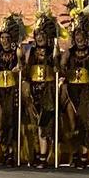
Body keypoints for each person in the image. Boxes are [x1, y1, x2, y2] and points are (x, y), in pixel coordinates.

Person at [62, 10, 89, 169]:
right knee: (72, 123)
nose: (79, 38)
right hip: (71, 90)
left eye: (81, 35)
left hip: (86, 90)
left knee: (85, 122)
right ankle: (75, 153)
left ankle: (84, 155)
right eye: (76, 35)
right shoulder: (68, 53)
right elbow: (61, 66)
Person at [25, 11, 59, 169]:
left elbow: (59, 69)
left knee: (44, 124)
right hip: (34, 91)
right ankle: (40, 154)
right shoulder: (31, 52)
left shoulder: (53, 51)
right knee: (36, 124)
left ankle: (45, 156)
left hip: (48, 92)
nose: (39, 37)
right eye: (37, 34)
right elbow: (26, 71)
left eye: (42, 34)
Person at [0, 13, 24, 166]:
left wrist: (19, 67)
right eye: (2, 37)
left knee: (11, 119)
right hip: (0, 90)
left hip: (12, 90)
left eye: (6, 38)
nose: (4, 40)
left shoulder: (16, 51)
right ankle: (3, 150)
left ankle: (11, 152)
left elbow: (21, 64)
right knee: (1, 119)